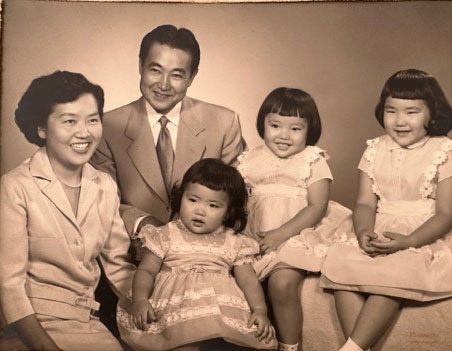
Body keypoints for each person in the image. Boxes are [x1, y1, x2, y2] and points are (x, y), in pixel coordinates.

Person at [0, 71, 136, 351]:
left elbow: (119, 268)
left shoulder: (105, 186)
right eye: (69, 121)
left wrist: (162, 306)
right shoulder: (14, 187)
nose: (84, 132)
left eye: (93, 120)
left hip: (88, 324)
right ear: (41, 128)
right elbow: (9, 285)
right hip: (29, 328)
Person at [320, 69, 452, 351]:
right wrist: (364, 231)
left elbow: (445, 214)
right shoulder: (374, 149)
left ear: (432, 114)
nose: (400, 121)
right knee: (343, 271)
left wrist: (409, 241)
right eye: (392, 111)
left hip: (422, 230)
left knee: (393, 274)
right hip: (379, 225)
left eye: (411, 112)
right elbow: (365, 202)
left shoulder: (444, 150)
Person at [90, 24, 247, 241]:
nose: (163, 85)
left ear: (192, 77)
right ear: (140, 66)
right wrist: (142, 223)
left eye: (177, 75)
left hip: (206, 253)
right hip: (132, 251)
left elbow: (237, 197)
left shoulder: (224, 122)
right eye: (155, 70)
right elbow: (102, 199)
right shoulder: (107, 126)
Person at [117, 159, 278, 351]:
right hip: (175, 306)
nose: (200, 211)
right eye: (192, 200)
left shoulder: (235, 241)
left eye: (213, 205)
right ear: (181, 197)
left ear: (227, 212)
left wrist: (260, 310)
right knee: (183, 343)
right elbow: (146, 271)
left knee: (230, 343)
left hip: (219, 308)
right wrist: (140, 300)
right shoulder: (165, 234)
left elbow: (249, 280)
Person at [237, 88, 352, 351]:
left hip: (298, 231)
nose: (284, 135)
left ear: (309, 130)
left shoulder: (312, 160)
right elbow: (236, 201)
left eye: (295, 129)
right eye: (275, 125)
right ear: (262, 123)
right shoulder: (248, 159)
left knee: (282, 282)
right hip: (254, 234)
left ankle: (290, 346)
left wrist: (281, 234)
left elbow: (317, 207)